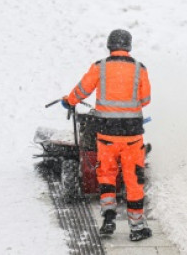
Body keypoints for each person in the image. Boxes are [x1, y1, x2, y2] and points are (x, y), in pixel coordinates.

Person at [62, 29, 152, 241]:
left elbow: (81, 91)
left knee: (107, 175)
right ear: (128, 46)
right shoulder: (140, 69)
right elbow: (146, 99)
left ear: (110, 46)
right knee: (133, 179)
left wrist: (68, 101)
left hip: (106, 136)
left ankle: (108, 218)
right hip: (132, 137)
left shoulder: (99, 67)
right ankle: (137, 228)